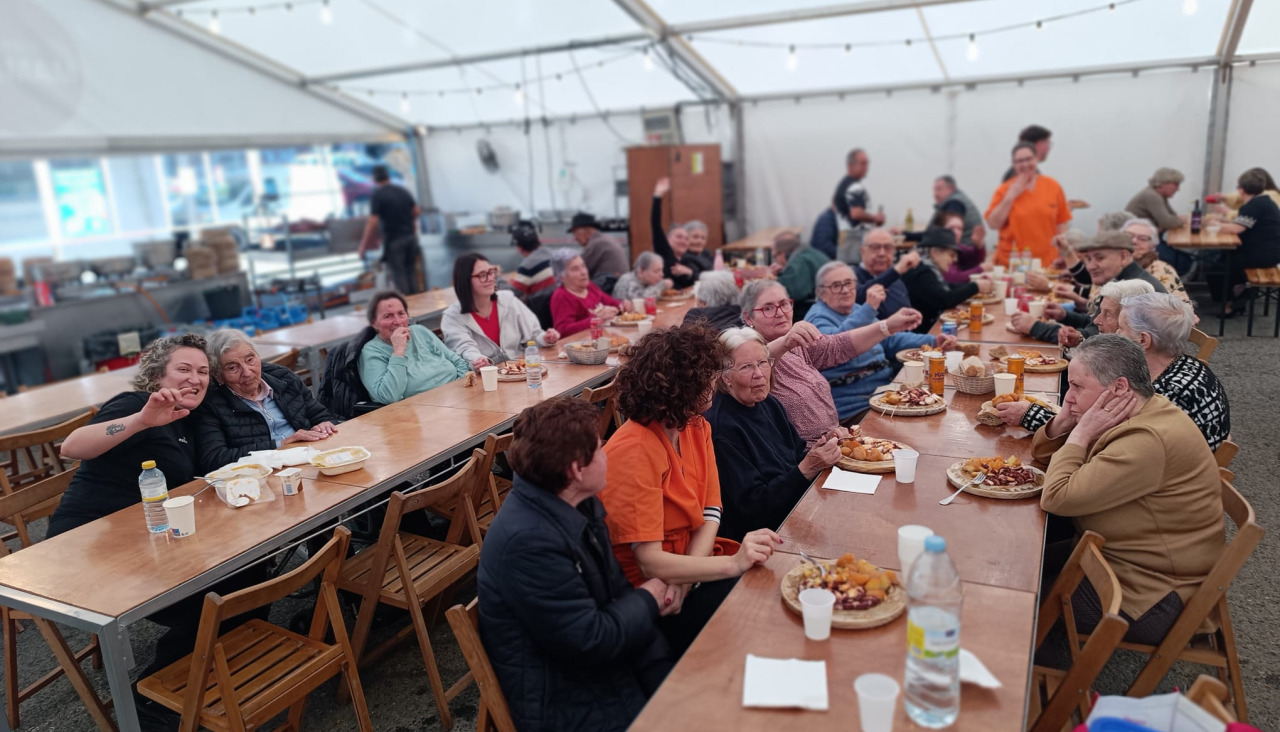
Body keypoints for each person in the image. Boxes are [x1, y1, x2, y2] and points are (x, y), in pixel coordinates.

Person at [478, 397, 673, 732]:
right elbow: (591, 640)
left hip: (604, 666)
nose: (608, 449)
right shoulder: (528, 543)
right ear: (576, 470)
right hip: (568, 699)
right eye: (599, 447)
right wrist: (649, 599)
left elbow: (613, 593)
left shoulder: (575, 500)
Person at [598, 325, 782, 655]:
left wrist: (689, 581)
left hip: (685, 576)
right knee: (763, 616)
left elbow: (711, 512)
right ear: (678, 389)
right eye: (706, 383)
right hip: (652, 595)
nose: (713, 388)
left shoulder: (695, 426)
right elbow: (649, 562)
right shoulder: (634, 448)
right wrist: (731, 565)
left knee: (771, 597)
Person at [1032, 335, 1223, 645]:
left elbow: (1056, 497)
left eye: (1077, 387)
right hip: (1109, 558)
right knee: (1011, 565)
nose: (1068, 397)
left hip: (1148, 593)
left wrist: (1080, 434)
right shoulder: (1136, 410)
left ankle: (1033, 680)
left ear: (1119, 387)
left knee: (1011, 602)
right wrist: (1065, 422)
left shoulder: (1147, 439)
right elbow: (1043, 457)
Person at [50, 334, 210, 536]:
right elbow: (71, 447)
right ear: (156, 375)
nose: (195, 379)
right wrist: (140, 421)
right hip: (88, 530)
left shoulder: (190, 418)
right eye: (184, 369)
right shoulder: (136, 404)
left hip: (146, 530)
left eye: (203, 372)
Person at [741, 279, 922, 445]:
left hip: (836, 445)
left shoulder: (796, 345)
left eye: (784, 304)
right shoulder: (744, 352)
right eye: (768, 308)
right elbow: (755, 362)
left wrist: (888, 326)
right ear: (748, 317)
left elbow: (840, 345)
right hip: (806, 463)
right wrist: (785, 342)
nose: (780, 313)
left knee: (914, 439)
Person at [705, 328, 842, 542]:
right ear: (726, 378)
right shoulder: (721, 428)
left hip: (798, 510)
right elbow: (752, 508)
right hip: (764, 536)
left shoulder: (768, 402)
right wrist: (807, 468)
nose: (759, 374)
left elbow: (796, 455)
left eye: (763, 363)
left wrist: (824, 446)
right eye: (747, 367)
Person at [999, 278, 1153, 433]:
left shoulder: (1136, 375)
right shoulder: (1132, 356)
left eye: (1107, 314)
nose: (1097, 320)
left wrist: (1029, 415)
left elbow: (1096, 432)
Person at [806, 262, 951, 422]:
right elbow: (836, 347)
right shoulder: (817, 318)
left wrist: (932, 340)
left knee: (939, 408)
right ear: (821, 293)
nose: (845, 290)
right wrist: (869, 309)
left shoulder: (856, 308)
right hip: (854, 407)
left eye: (848, 283)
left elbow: (889, 338)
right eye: (836, 286)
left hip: (884, 392)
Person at [195, 329, 338, 472]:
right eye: (232, 367)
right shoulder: (209, 403)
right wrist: (280, 444)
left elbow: (320, 415)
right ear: (217, 375)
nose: (247, 372)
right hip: (259, 477)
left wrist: (324, 424)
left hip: (311, 462)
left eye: (250, 359)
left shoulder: (284, 378)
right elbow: (215, 459)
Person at [1118, 293, 1231, 450]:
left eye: (1122, 329)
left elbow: (1133, 447)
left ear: (1143, 340)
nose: (1116, 334)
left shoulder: (1167, 395)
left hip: (1178, 470)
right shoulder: (1189, 365)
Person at [1011, 231, 1164, 346]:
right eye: (1088, 259)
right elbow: (1095, 323)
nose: (1090, 266)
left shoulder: (1133, 289)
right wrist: (1065, 315)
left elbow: (1095, 339)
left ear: (1123, 257)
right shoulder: (1122, 279)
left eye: (1099, 258)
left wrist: (1035, 327)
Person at [442, 253, 559, 369]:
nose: (490, 278)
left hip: (519, 370)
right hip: (486, 377)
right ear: (465, 280)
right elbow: (464, 349)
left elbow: (534, 335)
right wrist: (476, 359)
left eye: (491, 272)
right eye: (482, 275)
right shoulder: (452, 317)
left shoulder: (507, 300)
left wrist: (545, 338)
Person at [359, 290, 470, 404]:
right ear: (374, 323)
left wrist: (460, 391)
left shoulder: (420, 331)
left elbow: (458, 362)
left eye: (401, 313)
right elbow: (388, 396)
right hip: (418, 412)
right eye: (388, 316)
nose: (397, 321)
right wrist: (398, 352)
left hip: (456, 398)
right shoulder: (371, 351)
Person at [986, 142, 1072, 268]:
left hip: (1048, 264)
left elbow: (1062, 223)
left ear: (1036, 159)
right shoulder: (1003, 190)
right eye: (1020, 161)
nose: (1025, 164)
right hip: (1012, 264)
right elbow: (993, 224)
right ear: (1014, 164)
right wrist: (1010, 197)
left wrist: (1064, 255)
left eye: (1028, 159)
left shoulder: (1053, 186)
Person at [900, 226, 992, 333]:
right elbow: (944, 300)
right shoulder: (921, 272)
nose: (955, 259)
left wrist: (973, 283)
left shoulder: (925, 266)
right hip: (921, 333)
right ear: (935, 253)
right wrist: (975, 286)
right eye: (951, 254)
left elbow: (945, 286)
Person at [1216, 168, 1280, 312]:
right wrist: (1223, 222)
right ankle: (1239, 293)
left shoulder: (1254, 205)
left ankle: (1233, 300)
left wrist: (1214, 225)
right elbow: (1241, 223)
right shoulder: (1264, 202)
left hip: (1262, 256)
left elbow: (1236, 228)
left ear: (1241, 189)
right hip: (1271, 253)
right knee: (1225, 257)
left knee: (1221, 264)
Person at [358, 165, 422, 294]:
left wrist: (363, 246)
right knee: (411, 273)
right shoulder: (402, 191)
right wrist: (408, 222)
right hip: (410, 237)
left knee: (399, 275)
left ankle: (406, 308)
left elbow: (373, 221)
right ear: (388, 176)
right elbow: (416, 211)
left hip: (394, 240)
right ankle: (417, 307)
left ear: (375, 180)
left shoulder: (378, 195)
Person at [549, 250, 627, 337]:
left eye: (583, 266)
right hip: (580, 346)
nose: (583, 272)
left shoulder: (590, 287)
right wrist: (596, 319)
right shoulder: (561, 296)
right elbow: (563, 330)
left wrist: (623, 305)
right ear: (562, 276)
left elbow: (614, 304)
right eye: (575, 269)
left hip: (603, 338)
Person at [651, 178, 706, 289]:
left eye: (686, 239)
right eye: (678, 237)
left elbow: (700, 278)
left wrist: (689, 272)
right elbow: (655, 225)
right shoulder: (665, 254)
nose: (683, 241)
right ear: (667, 239)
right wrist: (657, 196)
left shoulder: (687, 259)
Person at [832, 148, 884, 263]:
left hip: (844, 237)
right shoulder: (854, 187)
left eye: (867, 163)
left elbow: (833, 205)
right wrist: (876, 218)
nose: (866, 167)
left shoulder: (842, 185)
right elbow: (856, 213)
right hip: (855, 238)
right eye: (863, 163)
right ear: (850, 165)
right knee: (858, 273)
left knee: (849, 273)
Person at [854, 228, 919, 319]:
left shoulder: (896, 280)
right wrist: (897, 270)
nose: (882, 253)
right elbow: (859, 295)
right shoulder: (851, 276)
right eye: (875, 247)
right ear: (862, 251)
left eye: (888, 247)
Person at [1123, 217, 1191, 306]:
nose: (1134, 241)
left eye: (1142, 239)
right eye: (1129, 236)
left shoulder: (1161, 270)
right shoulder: (1108, 265)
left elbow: (1182, 308)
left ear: (1153, 246)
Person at [771, 230, 831, 310]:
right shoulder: (810, 252)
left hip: (821, 307)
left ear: (782, 254)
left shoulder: (798, 263)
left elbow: (790, 292)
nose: (776, 261)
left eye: (775, 257)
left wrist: (772, 279)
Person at [569, 212, 629, 284]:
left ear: (588, 230)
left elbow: (575, 269)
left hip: (610, 289)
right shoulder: (605, 239)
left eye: (576, 233)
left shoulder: (596, 244)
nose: (575, 238)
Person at [933, 175, 987, 252]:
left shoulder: (954, 204)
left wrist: (911, 236)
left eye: (939, 189)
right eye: (934, 190)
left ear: (951, 189)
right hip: (969, 250)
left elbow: (937, 235)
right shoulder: (958, 199)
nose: (935, 194)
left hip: (962, 252)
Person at [1125, 168, 1185, 234]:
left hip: (1145, 236)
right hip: (1136, 240)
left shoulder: (1160, 195)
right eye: (1176, 184)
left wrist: (1174, 221)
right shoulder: (1152, 196)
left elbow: (1172, 215)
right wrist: (1182, 221)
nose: (1178, 189)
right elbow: (1167, 223)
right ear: (1163, 183)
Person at [510, 220, 556, 301]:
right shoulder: (553, 254)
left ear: (519, 248)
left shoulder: (527, 267)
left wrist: (497, 278)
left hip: (543, 310)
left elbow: (512, 294)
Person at [937, 209, 987, 284]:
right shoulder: (938, 249)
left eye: (959, 228)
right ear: (941, 229)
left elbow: (973, 259)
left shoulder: (955, 246)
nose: (956, 232)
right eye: (952, 228)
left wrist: (978, 245)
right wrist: (981, 268)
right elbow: (953, 279)